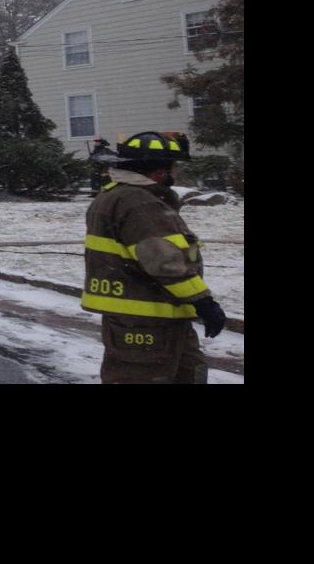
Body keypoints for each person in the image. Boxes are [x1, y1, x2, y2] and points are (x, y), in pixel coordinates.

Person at [82, 131, 227, 384]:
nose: (177, 173)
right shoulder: (138, 202)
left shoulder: (116, 196)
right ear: (160, 172)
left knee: (189, 372)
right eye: (174, 167)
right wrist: (204, 302)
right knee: (144, 377)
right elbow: (165, 261)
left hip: (155, 318)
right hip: (148, 320)